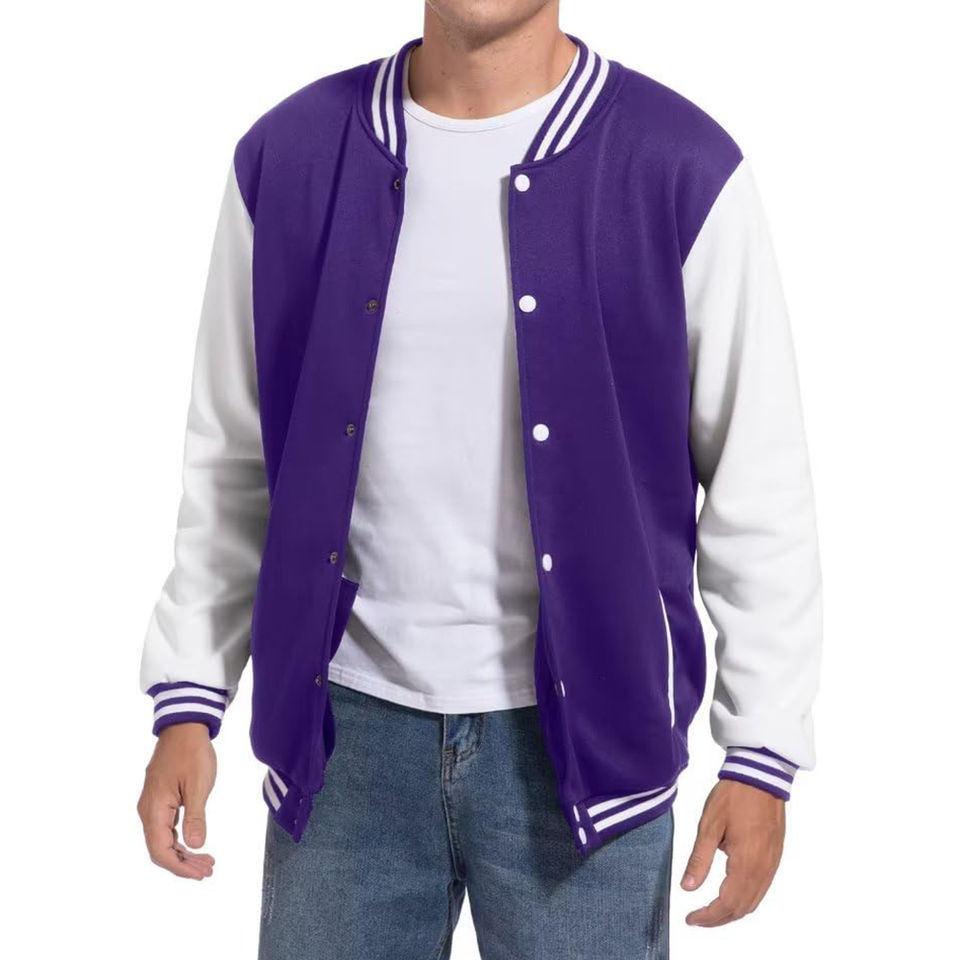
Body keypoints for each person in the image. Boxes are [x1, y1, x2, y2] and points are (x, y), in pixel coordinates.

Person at [136, 1, 823, 956]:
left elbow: (759, 482)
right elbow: (232, 459)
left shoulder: (681, 167)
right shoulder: (287, 158)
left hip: (593, 749)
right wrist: (189, 696)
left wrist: (761, 752)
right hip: (342, 743)